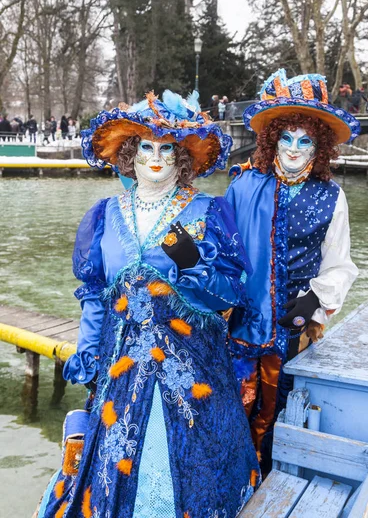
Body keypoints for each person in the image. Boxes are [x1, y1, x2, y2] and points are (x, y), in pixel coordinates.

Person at [35, 91, 260, 518]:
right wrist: (87, 352)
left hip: (194, 370)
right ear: (130, 154)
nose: (156, 158)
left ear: (181, 158)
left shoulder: (209, 211)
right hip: (122, 368)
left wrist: (193, 263)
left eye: (166, 149)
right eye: (146, 147)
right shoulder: (104, 214)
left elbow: (231, 295)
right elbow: (95, 295)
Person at [225, 69, 359, 473]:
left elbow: (339, 263)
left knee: (279, 409)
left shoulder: (332, 196)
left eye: (305, 140)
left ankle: (268, 485)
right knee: (235, 403)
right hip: (242, 322)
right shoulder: (244, 185)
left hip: (293, 324)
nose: (295, 148)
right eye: (287, 138)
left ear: (319, 145)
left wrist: (311, 303)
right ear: (272, 139)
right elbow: (223, 251)